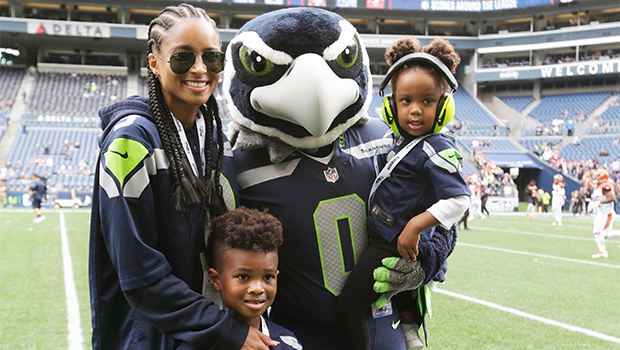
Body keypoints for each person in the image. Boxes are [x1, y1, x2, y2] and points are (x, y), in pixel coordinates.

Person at [88, 4, 277, 350]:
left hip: (203, 332)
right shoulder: (130, 142)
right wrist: (225, 330)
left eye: (212, 58)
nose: (200, 69)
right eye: (183, 58)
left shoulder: (213, 137)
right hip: (150, 338)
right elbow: (140, 274)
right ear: (154, 62)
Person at [336, 38, 469, 350]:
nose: (415, 110)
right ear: (391, 104)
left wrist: (415, 226)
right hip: (384, 233)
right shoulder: (401, 139)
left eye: (427, 101)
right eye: (406, 100)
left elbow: (460, 199)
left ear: (444, 106)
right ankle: (408, 328)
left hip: (392, 241)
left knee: (348, 307)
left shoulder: (437, 146)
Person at [206, 207, 303, 350]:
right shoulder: (200, 344)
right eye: (244, 277)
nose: (258, 288)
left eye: (268, 277)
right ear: (216, 280)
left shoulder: (288, 344)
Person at [590, 169, 620, 258]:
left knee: (605, 234)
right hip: (600, 213)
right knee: (596, 231)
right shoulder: (597, 186)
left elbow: (612, 198)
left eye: (598, 176)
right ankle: (602, 252)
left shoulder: (605, 186)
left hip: (607, 213)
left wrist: (600, 203)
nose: (595, 178)